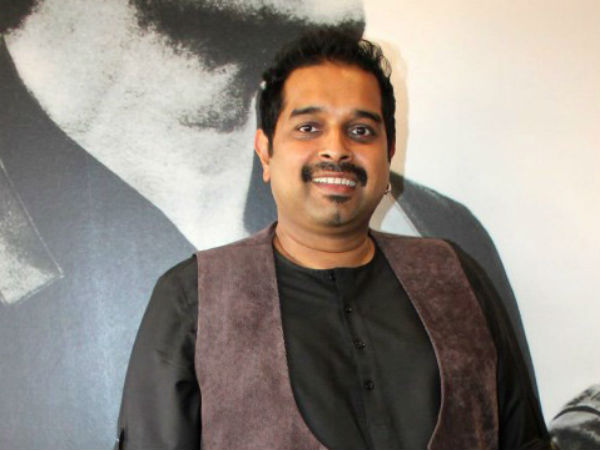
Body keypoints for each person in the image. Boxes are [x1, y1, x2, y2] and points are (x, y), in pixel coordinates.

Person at [116, 29, 550, 450]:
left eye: (361, 131)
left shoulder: (453, 279)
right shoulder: (195, 298)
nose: (336, 149)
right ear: (266, 151)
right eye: (309, 128)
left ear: (388, 152)